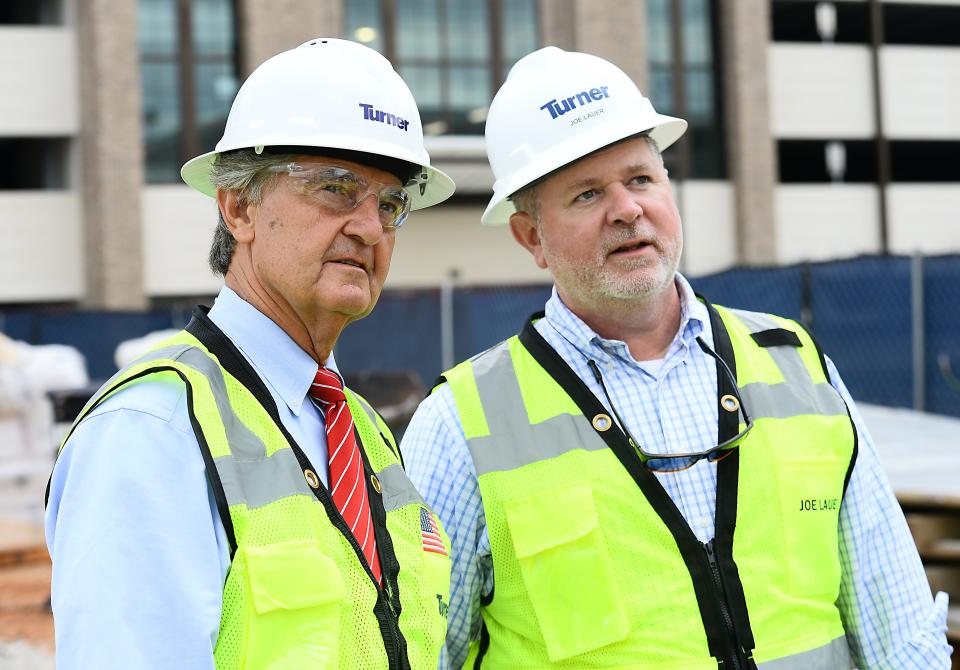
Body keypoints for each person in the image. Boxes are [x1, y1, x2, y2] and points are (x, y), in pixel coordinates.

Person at [401, 46, 952, 669]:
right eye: (586, 194)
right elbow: (421, 654)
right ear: (532, 237)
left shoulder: (799, 370)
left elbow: (900, 635)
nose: (628, 209)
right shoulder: (462, 426)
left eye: (641, 178)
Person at [45, 38, 455, 669]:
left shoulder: (365, 433)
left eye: (390, 203)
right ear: (239, 207)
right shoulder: (154, 432)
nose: (369, 227)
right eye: (337, 189)